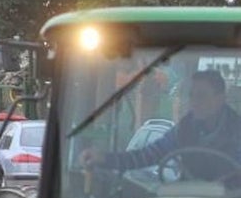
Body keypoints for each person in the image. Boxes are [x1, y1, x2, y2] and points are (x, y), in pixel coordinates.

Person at [85, 69, 241, 181]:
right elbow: (145, 156)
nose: (194, 102)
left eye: (201, 96)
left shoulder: (237, 132)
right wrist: (104, 159)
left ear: (221, 98)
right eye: (192, 95)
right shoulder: (184, 130)